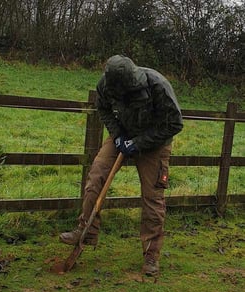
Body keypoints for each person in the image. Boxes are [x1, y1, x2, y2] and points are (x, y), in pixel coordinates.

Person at [59, 54, 183, 276]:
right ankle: (85, 231)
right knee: (96, 176)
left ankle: (151, 255)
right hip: (123, 134)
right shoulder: (105, 85)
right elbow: (104, 109)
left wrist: (138, 143)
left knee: (152, 197)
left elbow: (174, 123)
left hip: (153, 142)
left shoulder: (157, 86)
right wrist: (118, 136)